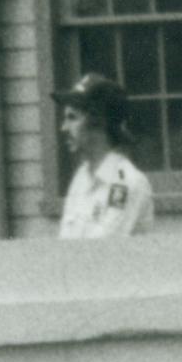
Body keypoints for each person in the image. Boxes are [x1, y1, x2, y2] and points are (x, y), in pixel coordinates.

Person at [55, 72, 155, 239]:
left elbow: (102, 252)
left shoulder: (126, 182)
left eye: (72, 118)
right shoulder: (81, 178)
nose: (64, 128)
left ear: (98, 121)